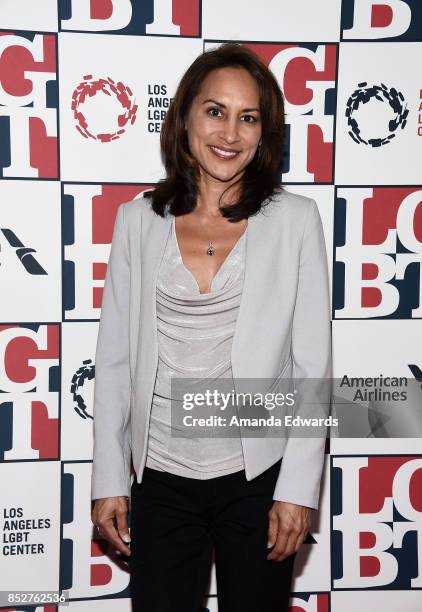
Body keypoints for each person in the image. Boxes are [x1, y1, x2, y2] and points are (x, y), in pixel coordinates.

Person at [91, 42, 332, 612]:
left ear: (264, 132)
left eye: (248, 117)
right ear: (185, 116)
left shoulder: (296, 221)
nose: (230, 132)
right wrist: (108, 480)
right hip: (161, 481)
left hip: (259, 479)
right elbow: (115, 363)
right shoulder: (137, 220)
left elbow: (312, 368)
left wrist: (297, 491)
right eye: (215, 111)